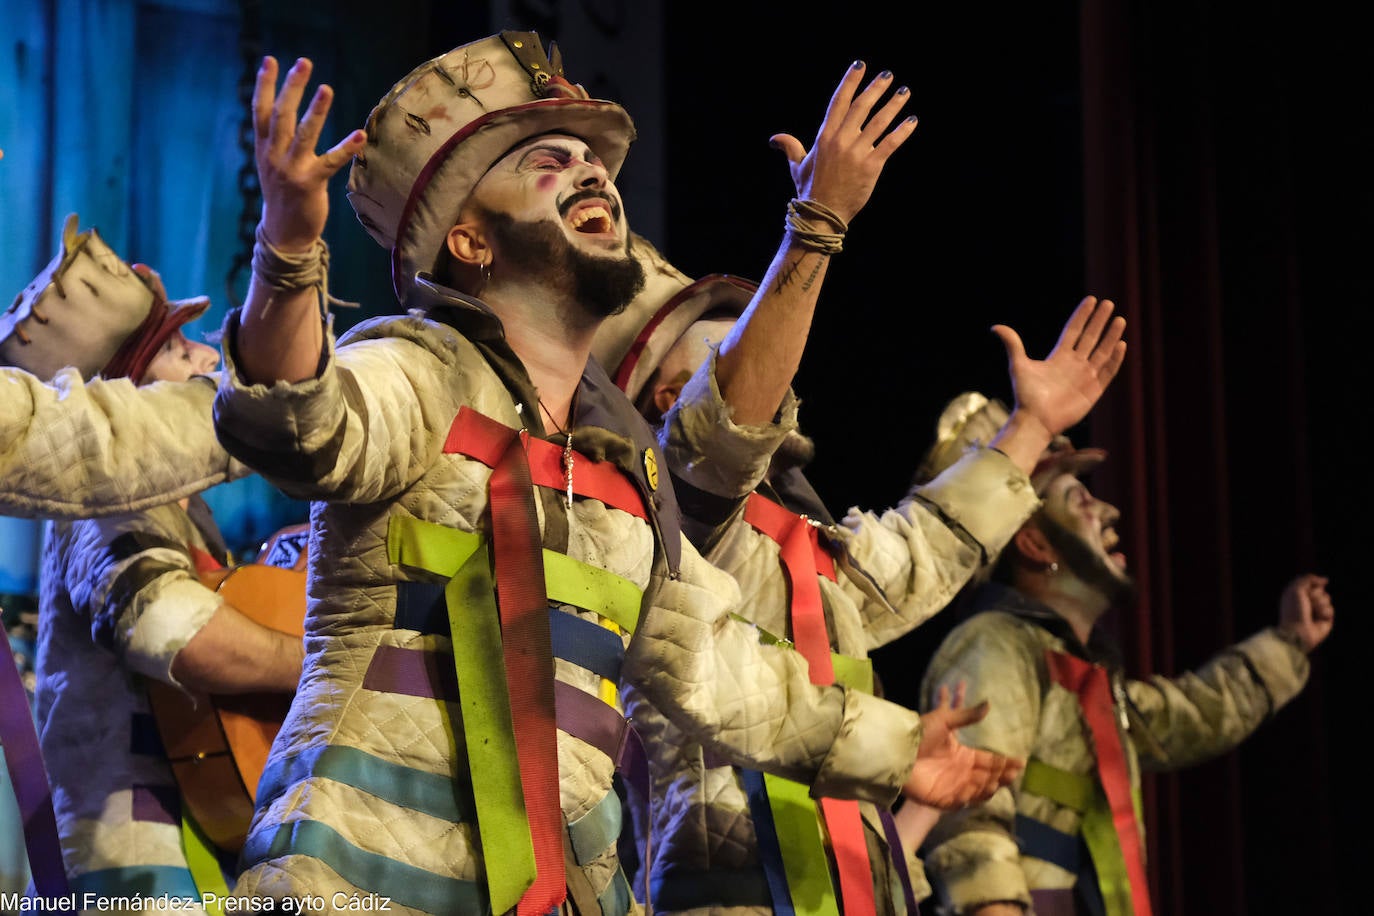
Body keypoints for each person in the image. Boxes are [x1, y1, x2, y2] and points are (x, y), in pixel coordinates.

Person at [211, 32, 1020, 916]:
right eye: (548, 161)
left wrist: (904, 751)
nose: (591, 171)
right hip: (352, 885)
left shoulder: (624, 486)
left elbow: (725, 670)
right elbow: (297, 420)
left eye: (594, 159)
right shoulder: (419, 372)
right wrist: (288, 248)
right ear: (471, 240)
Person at [593, 216, 1125, 912]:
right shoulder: (674, 534)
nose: (777, 365)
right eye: (732, 351)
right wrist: (815, 222)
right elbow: (725, 434)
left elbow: (922, 548)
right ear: (673, 402)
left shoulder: (803, 549)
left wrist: (1031, 427)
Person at [915, 393, 1332, 916]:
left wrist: (1290, 641)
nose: (1108, 511)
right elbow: (969, 810)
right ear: (1034, 545)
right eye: (1078, 500)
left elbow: (1194, 714)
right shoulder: (996, 646)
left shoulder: (1082, 679)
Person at [2, 219, 305, 909]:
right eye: (174, 350)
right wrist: (320, 665)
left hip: (199, 843)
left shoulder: (180, 512)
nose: (204, 357)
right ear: (124, 398)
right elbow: (172, 629)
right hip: (137, 867)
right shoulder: (106, 506)